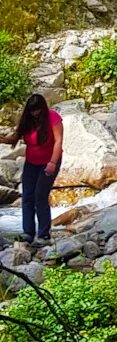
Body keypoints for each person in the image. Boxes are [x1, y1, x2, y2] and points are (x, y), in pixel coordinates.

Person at [8, 94, 63, 245]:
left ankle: (44, 234)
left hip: (50, 161)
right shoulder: (28, 120)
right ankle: (28, 233)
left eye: (37, 110)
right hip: (31, 163)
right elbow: (14, 139)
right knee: (27, 196)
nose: (35, 113)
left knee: (40, 195)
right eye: (32, 111)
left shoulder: (53, 117)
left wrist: (52, 163)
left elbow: (58, 141)